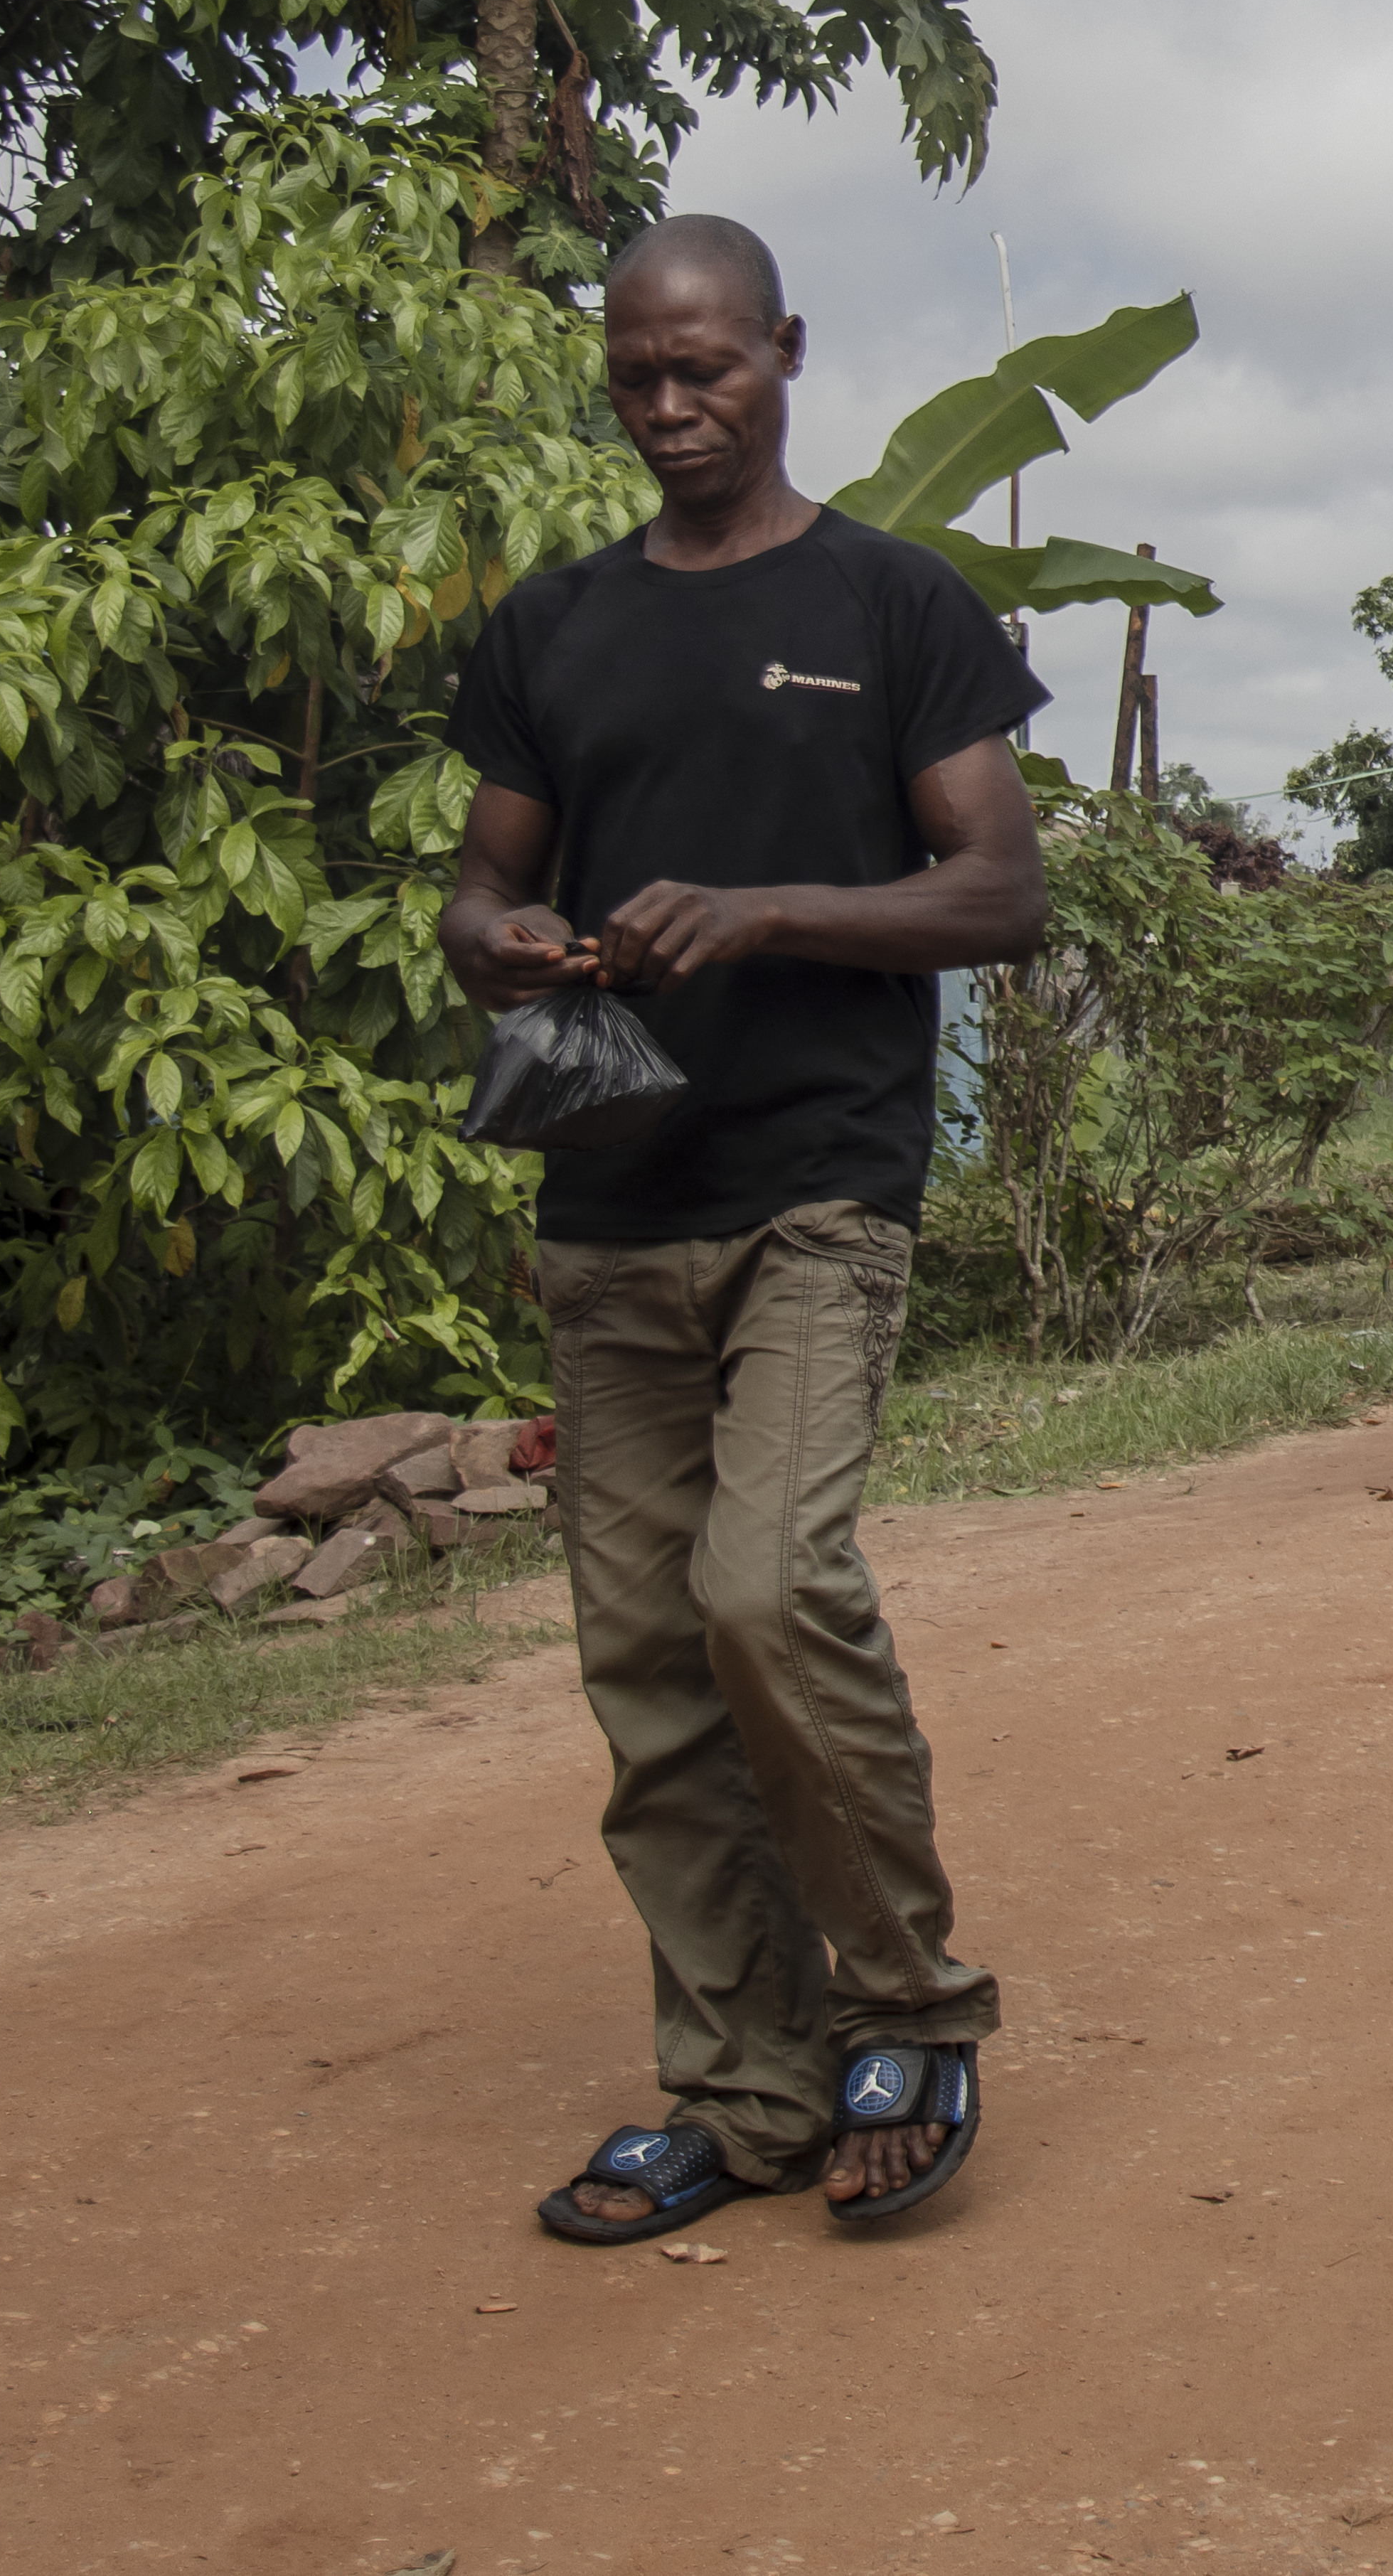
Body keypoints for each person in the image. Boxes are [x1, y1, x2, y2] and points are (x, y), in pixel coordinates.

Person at [442, 214, 1050, 2243]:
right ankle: (743, 2084)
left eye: (708, 365)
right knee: (646, 1662)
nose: (674, 403)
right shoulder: (552, 626)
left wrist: (771, 906)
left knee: (768, 1586)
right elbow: (471, 894)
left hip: (816, 1185)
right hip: (609, 1195)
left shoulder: (896, 602)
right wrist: (508, 943)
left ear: (784, 350)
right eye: (639, 374)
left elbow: (997, 893)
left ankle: (909, 2003)